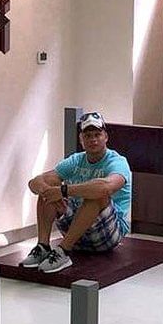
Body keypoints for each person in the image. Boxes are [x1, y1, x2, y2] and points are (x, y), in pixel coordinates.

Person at [23, 112, 132, 273]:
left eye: (97, 135)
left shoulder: (117, 162)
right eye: (88, 136)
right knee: (49, 186)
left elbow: (105, 187)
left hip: (107, 234)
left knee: (97, 193)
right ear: (81, 140)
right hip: (76, 230)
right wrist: (48, 191)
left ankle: (63, 251)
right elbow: (35, 183)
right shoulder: (75, 160)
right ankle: (43, 246)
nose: (93, 139)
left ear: (106, 137)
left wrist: (63, 191)